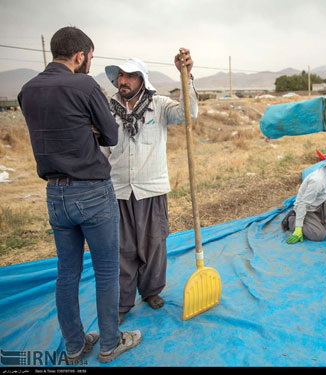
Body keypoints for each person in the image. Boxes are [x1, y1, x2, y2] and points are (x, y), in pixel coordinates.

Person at [17, 26, 142, 364]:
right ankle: (109, 343)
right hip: (91, 192)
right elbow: (112, 135)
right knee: (105, 270)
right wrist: (92, 127)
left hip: (55, 194)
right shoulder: (85, 85)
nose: (90, 62)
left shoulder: (27, 90)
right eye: (90, 56)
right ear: (80, 55)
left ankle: (74, 346)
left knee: (66, 272)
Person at [102, 51, 198, 324]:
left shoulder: (160, 106)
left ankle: (152, 290)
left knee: (154, 243)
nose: (124, 80)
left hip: (152, 188)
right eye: (120, 75)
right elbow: (103, 150)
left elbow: (188, 114)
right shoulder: (108, 109)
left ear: (142, 80)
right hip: (119, 188)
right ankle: (122, 301)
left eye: (130, 75)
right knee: (122, 247)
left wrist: (186, 76)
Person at [282, 150, 326, 243]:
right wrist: (298, 228)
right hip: (309, 209)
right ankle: (292, 219)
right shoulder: (317, 181)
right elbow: (303, 204)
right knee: (318, 235)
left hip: (320, 203)